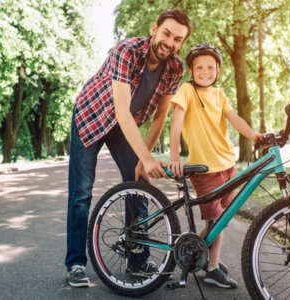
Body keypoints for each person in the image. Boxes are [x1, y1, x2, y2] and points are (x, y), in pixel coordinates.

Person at [66, 9, 192, 287]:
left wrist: (143, 160)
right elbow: (121, 110)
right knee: (81, 192)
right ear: (154, 29)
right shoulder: (127, 50)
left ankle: (137, 260)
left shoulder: (175, 67)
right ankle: (75, 263)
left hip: (125, 125)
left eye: (178, 39)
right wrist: (146, 158)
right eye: (166, 33)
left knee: (139, 183)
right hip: (92, 115)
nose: (170, 42)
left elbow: (160, 115)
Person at [167, 43, 262, 289]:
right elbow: (175, 124)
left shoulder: (220, 95)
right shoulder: (187, 90)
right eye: (200, 67)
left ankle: (192, 255)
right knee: (216, 222)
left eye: (211, 67)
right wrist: (175, 157)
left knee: (220, 221)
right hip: (205, 170)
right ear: (191, 70)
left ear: (218, 71)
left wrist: (253, 136)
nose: (205, 71)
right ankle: (211, 268)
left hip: (227, 166)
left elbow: (235, 119)